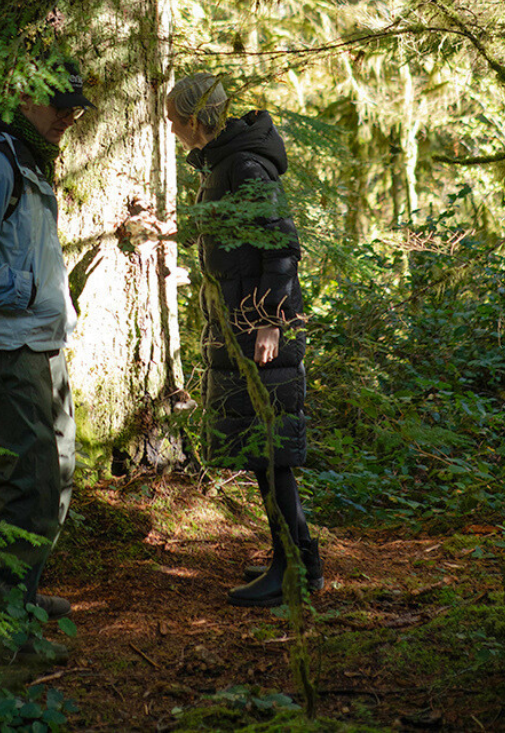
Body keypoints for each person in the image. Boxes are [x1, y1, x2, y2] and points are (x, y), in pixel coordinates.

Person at [0, 54, 93, 617]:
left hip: (38, 343)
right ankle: (3, 622)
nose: (68, 119)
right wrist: (26, 293)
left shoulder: (28, 160)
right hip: (4, 349)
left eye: (76, 110)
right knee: (25, 485)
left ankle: (22, 595)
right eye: (60, 106)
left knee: (57, 476)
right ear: (28, 99)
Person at [167, 73, 320, 608]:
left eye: (172, 118)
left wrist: (270, 320)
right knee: (263, 447)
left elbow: (280, 246)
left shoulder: (244, 165)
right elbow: (229, 243)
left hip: (263, 331)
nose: (169, 128)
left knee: (271, 449)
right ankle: (299, 555)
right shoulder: (222, 163)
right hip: (239, 327)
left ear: (192, 120)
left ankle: (292, 567)